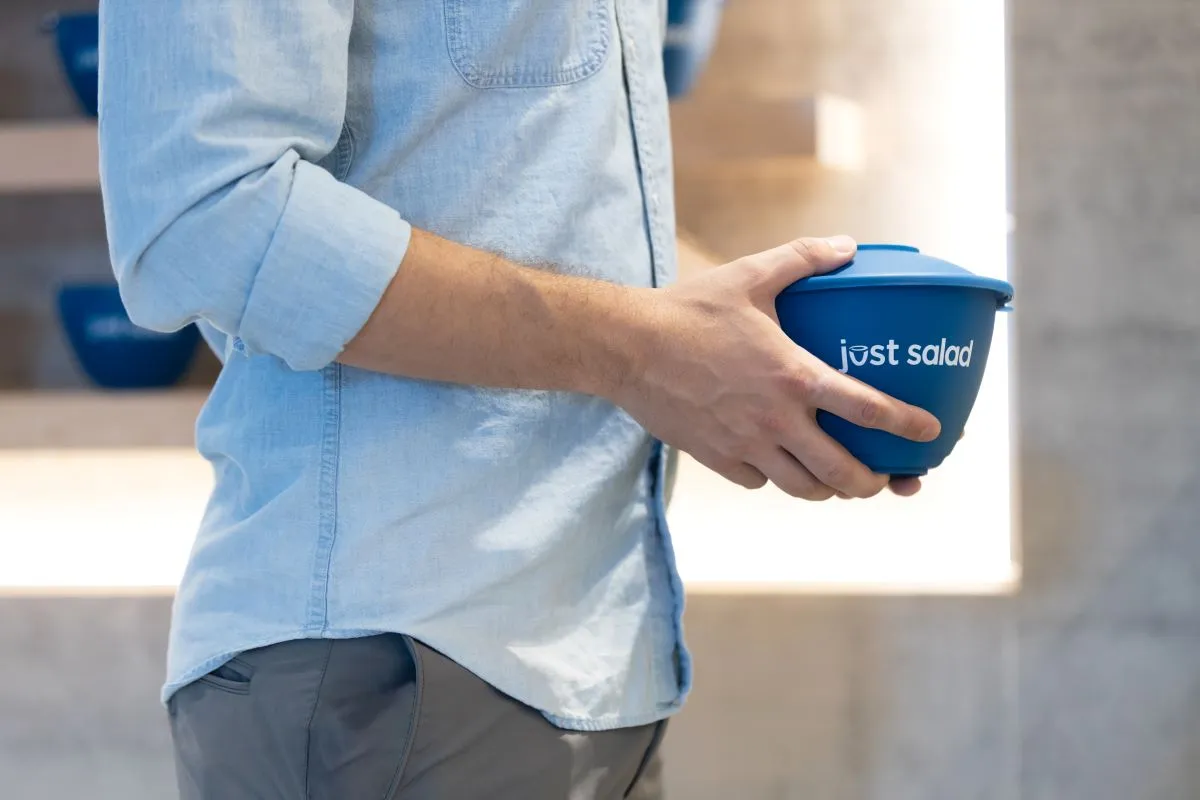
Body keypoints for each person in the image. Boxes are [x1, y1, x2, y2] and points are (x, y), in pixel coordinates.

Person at [98, 2, 940, 798]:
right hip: (392, 669)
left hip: (597, 668)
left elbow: (541, 216)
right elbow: (205, 213)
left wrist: (769, 358)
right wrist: (647, 350)